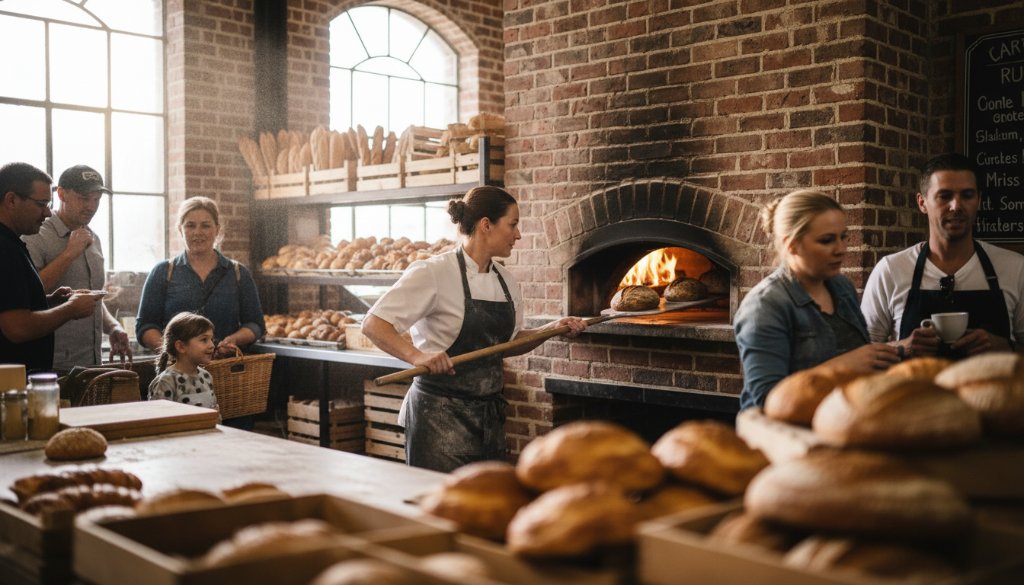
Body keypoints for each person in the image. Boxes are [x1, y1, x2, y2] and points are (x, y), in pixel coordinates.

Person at [362, 186, 588, 473]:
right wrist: (417, 356)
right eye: (513, 224)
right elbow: (374, 324)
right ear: (486, 225)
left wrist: (552, 329)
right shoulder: (434, 273)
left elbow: (508, 343)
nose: (518, 235)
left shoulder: (506, 281)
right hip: (438, 418)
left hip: (488, 420)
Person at [734, 190, 899, 410]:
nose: (841, 249)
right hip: (787, 430)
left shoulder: (842, 287)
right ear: (791, 244)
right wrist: (842, 367)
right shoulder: (764, 306)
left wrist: (899, 349)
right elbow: (766, 401)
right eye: (827, 240)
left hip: (844, 418)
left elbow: (861, 358)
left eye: (843, 237)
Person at [861, 153, 1024, 358]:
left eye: (967, 195)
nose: (956, 206)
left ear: (979, 200)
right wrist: (903, 348)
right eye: (944, 196)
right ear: (922, 203)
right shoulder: (891, 270)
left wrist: (1005, 347)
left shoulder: (1015, 268)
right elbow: (861, 354)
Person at [22, 165, 131, 371]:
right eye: (84, 198)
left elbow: (90, 297)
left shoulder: (93, 238)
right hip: (50, 365)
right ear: (61, 194)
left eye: (96, 199)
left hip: (92, 363)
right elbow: (28, 293)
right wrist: (69, 254)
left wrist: (113, 327)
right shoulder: (35, 234)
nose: (91, 206)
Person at [136, 196, 265, 357]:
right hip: (176, 368)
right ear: (180, 229)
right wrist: (175, 351)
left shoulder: (238, 273)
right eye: (190, 225)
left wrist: (234, 340)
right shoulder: (163, 272)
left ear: (217, 229)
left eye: (205, 225)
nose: (198, 232)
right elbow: (145, 326)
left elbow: (255, 324)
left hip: (225, 366)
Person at [0, 162, 99, 372]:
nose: (47, 213)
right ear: (11, 200)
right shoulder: (4, 247)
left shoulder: (12, 244)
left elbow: (11, 303)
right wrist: (70, 309)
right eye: (41, 204)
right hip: (12, 382)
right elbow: (17, 328)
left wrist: (49, 301)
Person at [148, 312, 219, 411]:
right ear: (181, 346)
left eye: (211, 339)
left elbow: (214, 414)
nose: (212, 345)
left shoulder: (206, 376)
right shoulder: (166, 382)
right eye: (204, 340)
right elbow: (159, 418)